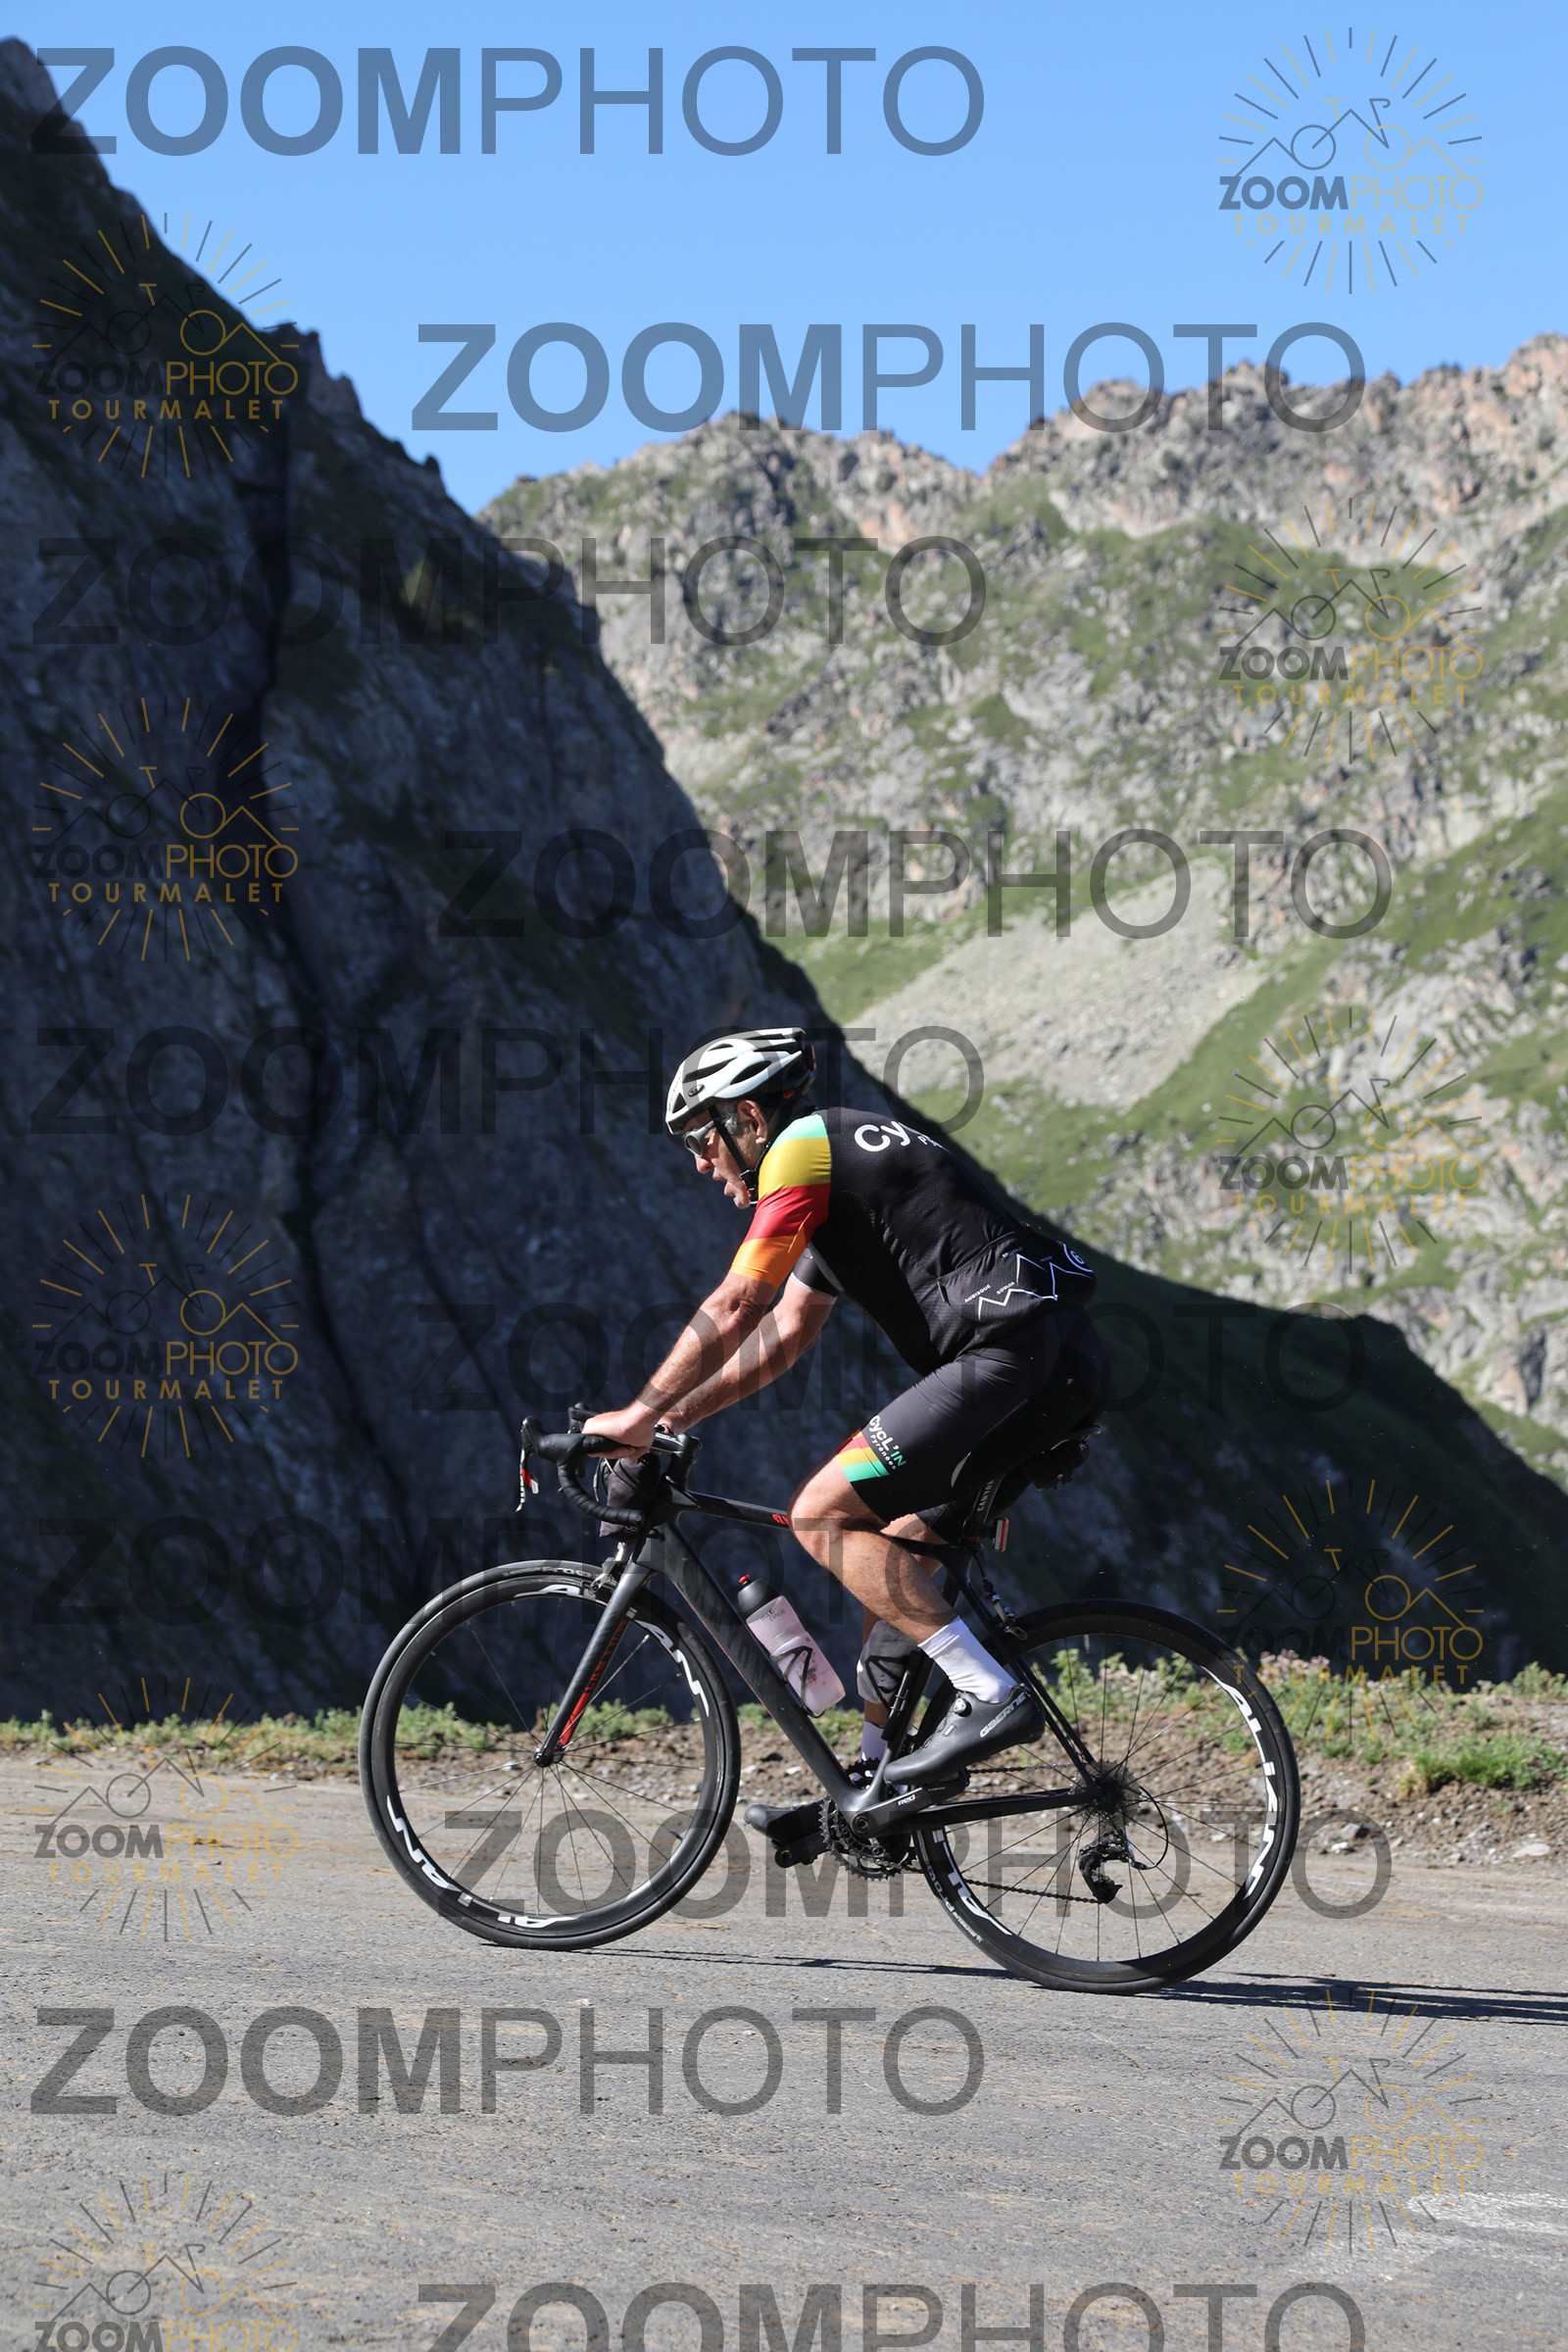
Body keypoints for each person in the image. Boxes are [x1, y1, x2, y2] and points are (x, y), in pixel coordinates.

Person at [585, 1027, 1108, 1791]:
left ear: (749, 1119)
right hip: (1057, 1361)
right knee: (895, 1550)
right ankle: (880, 1776)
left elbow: (738, 1304)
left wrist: (638, 1411)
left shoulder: (801, 1151)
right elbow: (787, 1331)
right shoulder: (834, 1163)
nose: (700, 1163)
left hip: (1008, 1355)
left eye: (702, 1138)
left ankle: (991, 1696)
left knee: (821, 1515)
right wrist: (673, 1419)